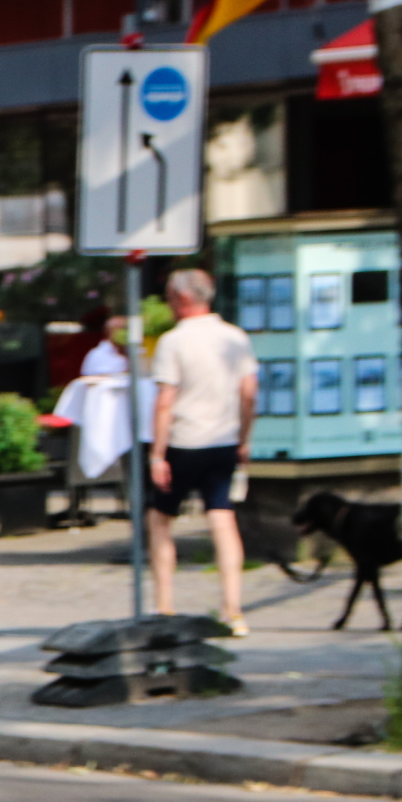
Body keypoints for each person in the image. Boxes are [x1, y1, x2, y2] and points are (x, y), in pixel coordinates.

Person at [146, 269, 258, 634]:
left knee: (161, 520)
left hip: (183, 441)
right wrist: (244, 437)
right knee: (223, 519)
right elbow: (249, 392)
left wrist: (157, 454)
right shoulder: (235, 337)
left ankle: (165, 607)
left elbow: (165, 400)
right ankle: (233, 609)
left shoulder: (172, 342)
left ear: (182, 300)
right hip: (223, 440)